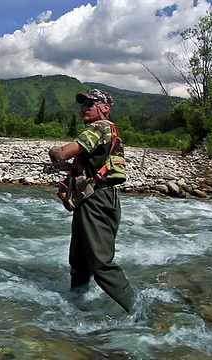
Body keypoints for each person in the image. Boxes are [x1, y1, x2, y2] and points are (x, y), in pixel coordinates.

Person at [48, 88, 135, 313]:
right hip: (95, 199)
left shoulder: (99, 127)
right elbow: (94, 167)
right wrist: (68, 168)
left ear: (105, 108)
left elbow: (63, 152)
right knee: (79, 260)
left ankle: (137, 311)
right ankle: (77, 303)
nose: (84, 108)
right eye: (83, 104)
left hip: (96, 200)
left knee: (101, 264)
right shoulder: (109, 133)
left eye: (90, 103)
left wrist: (54, 152)